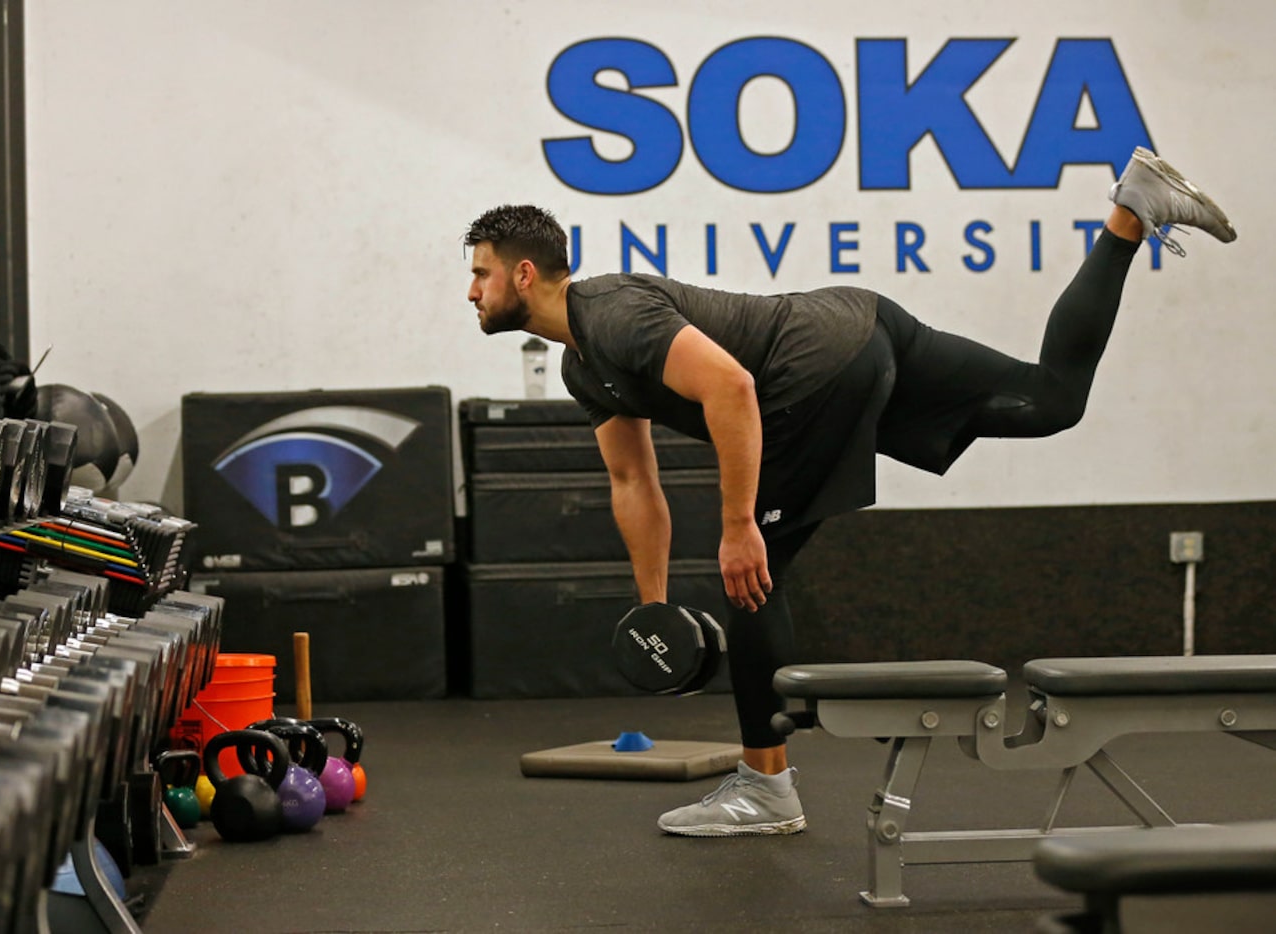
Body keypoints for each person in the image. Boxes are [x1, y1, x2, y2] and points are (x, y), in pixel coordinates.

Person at [463, 146, 1236, 837]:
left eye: (480, 272)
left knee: (747, 577)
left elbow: (731, 388)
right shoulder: (580, 366)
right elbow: (634, 483)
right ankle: (1129, 214)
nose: (471, 291)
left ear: (523, 273)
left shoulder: (611, 314)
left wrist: (739, 525)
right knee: (1048, 403)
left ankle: (766, 788)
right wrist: (654, 608)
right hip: (860, 324)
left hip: (810, 371)